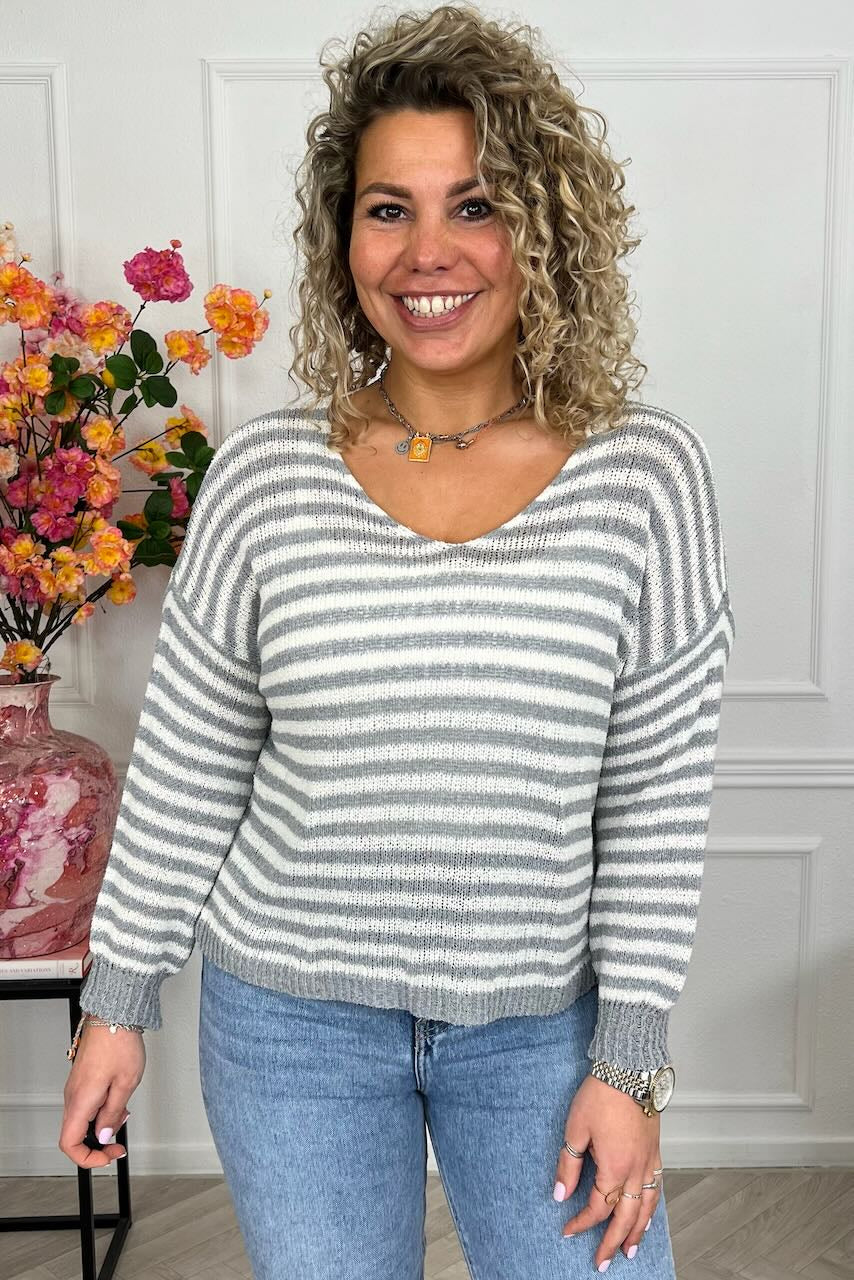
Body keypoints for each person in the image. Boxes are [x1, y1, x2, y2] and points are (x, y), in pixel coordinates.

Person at [60, 6, 736, 1278]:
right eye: (388, 209)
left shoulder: (644, 476)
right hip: (290, 1028)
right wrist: (118, 999)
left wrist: (631, 1062)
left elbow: (654, 794)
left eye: (474, 205)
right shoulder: (266, 477)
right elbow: (191, 764)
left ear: (543, 230)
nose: (428, 252)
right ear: (343, 238)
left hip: (541, 1032)